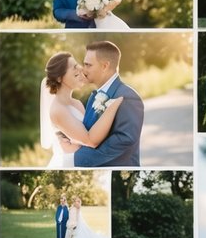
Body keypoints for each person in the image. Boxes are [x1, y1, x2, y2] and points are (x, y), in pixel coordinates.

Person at [61, 41, 144, 169]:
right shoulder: (94, 96)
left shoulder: (128, 96)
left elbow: (124, 139)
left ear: (105, 66)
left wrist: (78, 157)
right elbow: (89, 133)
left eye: (88, 65)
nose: (83, 69)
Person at [40, 50, 124, 169]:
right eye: (75, 69)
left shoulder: (77, 103)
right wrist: (114, 105)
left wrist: (77, 142)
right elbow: (90, 141)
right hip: (73, 164)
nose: (80, 69)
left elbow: (91, 131)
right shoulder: (57, 110)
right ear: (59, 78)